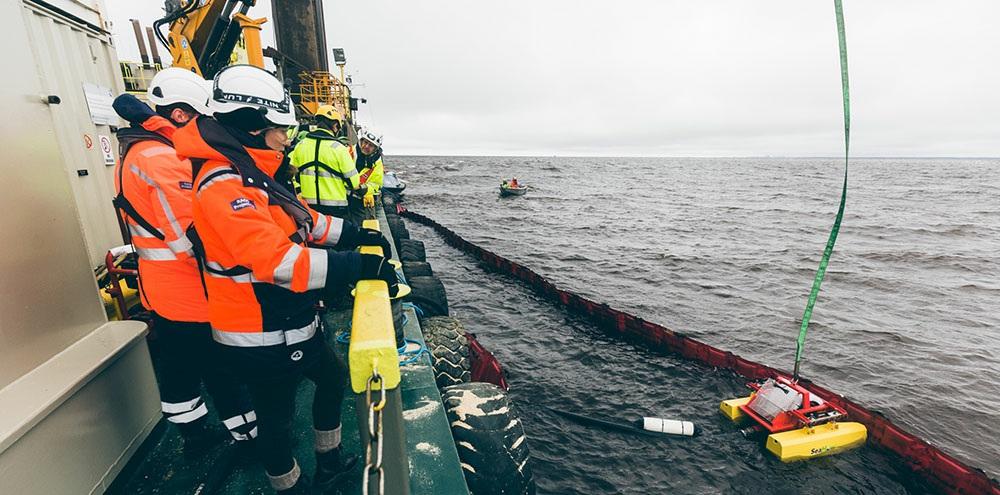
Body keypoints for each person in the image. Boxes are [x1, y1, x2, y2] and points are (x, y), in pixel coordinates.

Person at [174, 64, 397, 494]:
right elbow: (276, 262)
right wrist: (357, 266)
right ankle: (290, 487)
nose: (286, 136)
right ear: (254, 126)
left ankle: (329, 462)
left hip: (292, 322)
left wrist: (355, 232)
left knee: (332, 380)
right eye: (280, 127)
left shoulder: (253, 171)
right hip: (258, 335)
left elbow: (301, 220)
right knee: (274, 420)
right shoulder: (222, 184)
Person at [111, 68, 256, 455]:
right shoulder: (163, 158)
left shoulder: (137, 152)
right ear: (179, 115)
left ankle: (193, 433)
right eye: (200, 117)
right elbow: (192, 237)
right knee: (222, 365)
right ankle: (248, 437)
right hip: (190, 290)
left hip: (161, 287)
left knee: (179, 368)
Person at [288, 105, 362, 218]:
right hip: (336, 210)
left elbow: (290, 174)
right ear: (335, 125)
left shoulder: (300, 146)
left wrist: (299, 190)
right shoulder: (339, 149)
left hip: (309, 208)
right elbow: (354, 182)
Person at [348, 127, 384, 222]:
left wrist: (364, 188)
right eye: (365, 142)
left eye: (371, 145)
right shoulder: (347, 152)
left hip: (359, 201)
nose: (366, 146)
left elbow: (376, 184)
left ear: (376, 149)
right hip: (341, 198)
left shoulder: (377, 163)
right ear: (361, 141)